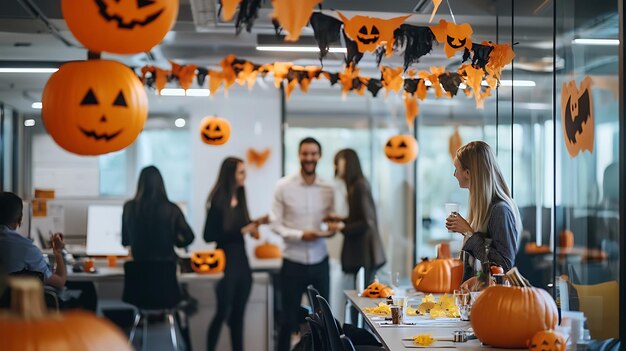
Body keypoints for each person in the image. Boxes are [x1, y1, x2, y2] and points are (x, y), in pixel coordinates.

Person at [271, 137, 336, 351]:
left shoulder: (329, 188)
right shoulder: (283, 186)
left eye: (313, 154)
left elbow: (333, 220)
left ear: (319, 156)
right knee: (287, 320)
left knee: (324, 320)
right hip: (292, 262)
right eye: (305, 153)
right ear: (299, 155)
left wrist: (331, 229)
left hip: (320, 261)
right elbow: (275, 224)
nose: (309, 158)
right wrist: (300, 235)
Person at [204, 157, 268, 351]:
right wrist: (241, 230)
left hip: (242, 259)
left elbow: (243, 223)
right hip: (225, 259)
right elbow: (209, 235)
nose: (245, 175)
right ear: (230, 174)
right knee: (222, 312)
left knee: (238, 314)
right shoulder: (217, 199)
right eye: (241, 171)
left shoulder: (241, 193)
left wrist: (255, 226)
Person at [445, 141, 522, 283]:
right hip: (475, 297)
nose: (454, 174)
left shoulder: (501, 211)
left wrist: (469, 232)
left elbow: (503, 266)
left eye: (456, 169)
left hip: (491, 300)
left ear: (468, 173)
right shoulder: (482, 209)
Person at [333, 149, 386, 286]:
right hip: (363, 254)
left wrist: (342, 226)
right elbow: (359, 217)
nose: (336, 167)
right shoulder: (355, 186)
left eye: (337, 163)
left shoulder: (359, 186)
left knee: (363, 299)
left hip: (365, 254)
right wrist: (340, 219)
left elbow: (366, 222)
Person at [122, 166, 195, 261]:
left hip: (139, 268)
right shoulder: (172, 209)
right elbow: (189, 237)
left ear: (140, 184)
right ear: (161, 184)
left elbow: (125, 241)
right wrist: (175, 241)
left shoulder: (129, 208)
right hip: (166, 268)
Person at [0, 192, 67, 289]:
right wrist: (58, 252)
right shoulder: (25, 248)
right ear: (20, 219)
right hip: (18, 303)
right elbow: (60, 281)